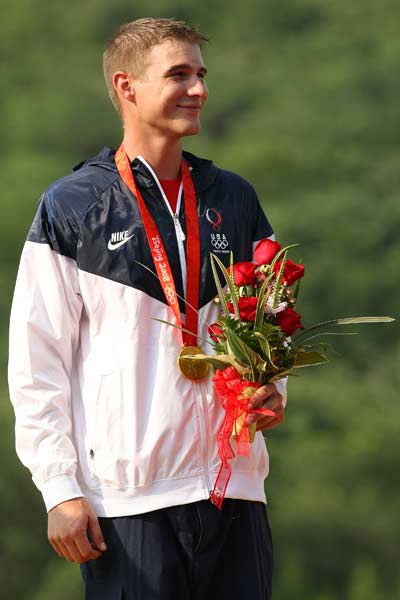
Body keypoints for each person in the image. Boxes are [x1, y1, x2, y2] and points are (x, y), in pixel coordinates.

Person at [8, 17, 286, 600]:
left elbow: (272, 324)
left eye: (201, 75)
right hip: (128, 499)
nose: (199, 89)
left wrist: (271, 390)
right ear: (127, 87)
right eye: (179, 75)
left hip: (232, 489)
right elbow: (38, 365)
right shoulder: (73, 205)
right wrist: (59, 489)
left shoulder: (233, 197)